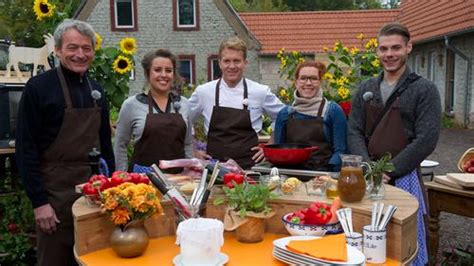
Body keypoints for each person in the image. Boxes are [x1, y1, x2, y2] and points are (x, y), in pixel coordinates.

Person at [15, 19, 114, 266]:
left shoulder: (98, 91)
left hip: (94, 196)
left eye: (86, 48)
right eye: (72, 48)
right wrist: (39, 203)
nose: (80, 54)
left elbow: (105, 146)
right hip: (55, 197)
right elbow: (26, 149)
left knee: (95, 259)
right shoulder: (39, 88)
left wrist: (112, 190)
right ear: (58, 50)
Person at [347, 22, 441, 265]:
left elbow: (427, 139)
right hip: (367, 177)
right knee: (365, 235)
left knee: (404, 240)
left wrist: (388, 171)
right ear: (377, 51)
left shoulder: (424, 90)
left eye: (396, 48)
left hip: (404, 176)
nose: (389, 54)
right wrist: (369, 170)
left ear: (408, 47)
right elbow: (354, 129)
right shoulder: (366, 87)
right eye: (383, 48)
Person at [188, 37, 284, 169]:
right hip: (214, 169)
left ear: (245, 63)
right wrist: (194, 150)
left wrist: (270, 147)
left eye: (237, 61)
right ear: (220, 63)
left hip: (250, 168)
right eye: (227, 61)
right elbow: (184, 118)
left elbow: (283, 116)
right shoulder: (204, 92)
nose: (231, 66)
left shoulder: (260, 91)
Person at [114, 49, 193, 172]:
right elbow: (120, 145)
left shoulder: (184, 104)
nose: (164, 75)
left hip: (178, 181)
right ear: (147, 73)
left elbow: (187, 144)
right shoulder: (131, 105)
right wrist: (122, 176)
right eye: (157, 70)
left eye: (168, 70)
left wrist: (189, 174)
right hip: (142, 181)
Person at [273, 61, 347, 171]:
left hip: (324, 176)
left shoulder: (332, 111)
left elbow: (340, 151)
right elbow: (278, 152)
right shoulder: (284, 114)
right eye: (303, 78)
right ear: (296, 82)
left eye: (313, 78)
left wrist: (327, 173)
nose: (308, 83)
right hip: (291, 177)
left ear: (320, 81)